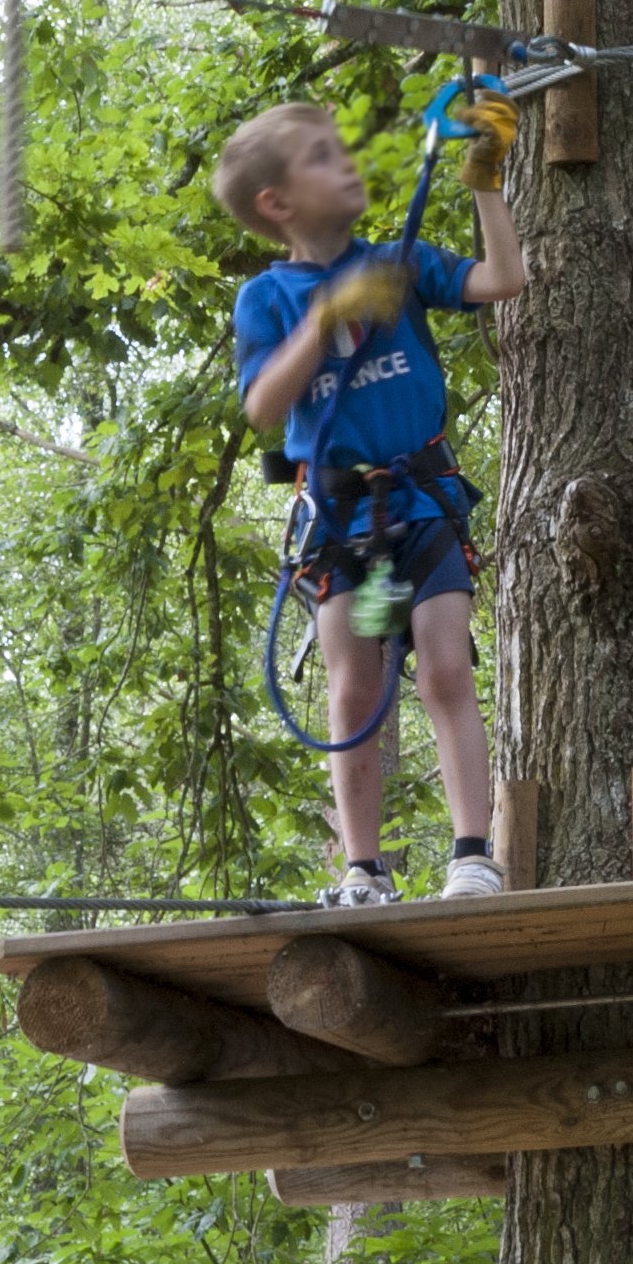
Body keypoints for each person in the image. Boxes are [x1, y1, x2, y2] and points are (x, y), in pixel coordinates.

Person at [218, 92, 529, 904]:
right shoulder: (268, 300)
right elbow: (263, 407)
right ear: (276, 203)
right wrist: (324, 320)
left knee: (446, 671)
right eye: (321, 156)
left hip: (421, 507)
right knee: (353, 688)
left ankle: (472, 854)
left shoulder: (401, 262)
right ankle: (362, 869)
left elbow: (505, 278)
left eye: (340, 147)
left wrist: (485, 182)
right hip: (345, 524)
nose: (345, 161)